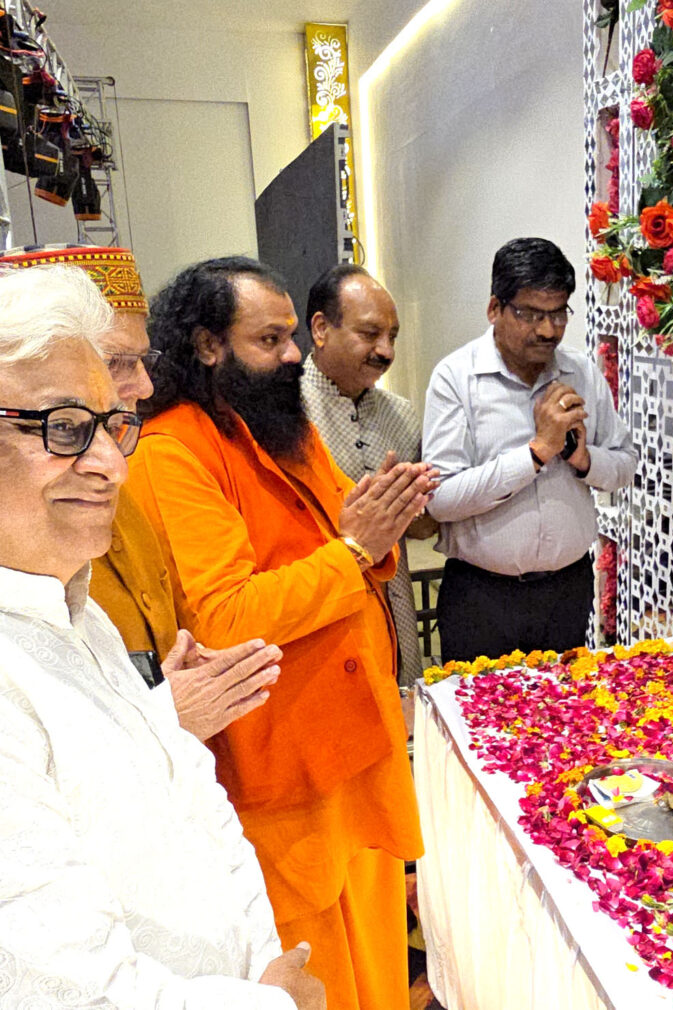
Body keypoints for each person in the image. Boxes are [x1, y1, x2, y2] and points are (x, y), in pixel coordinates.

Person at [0, 264, 324, 1010]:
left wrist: (263, 969)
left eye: (111, 427)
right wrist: (275, 1005)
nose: (111, 466)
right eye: (64, 428)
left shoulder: (80, 614)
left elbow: (199, 807)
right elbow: (70, 990)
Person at [126, 255, 435, 1010]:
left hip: (355, 749)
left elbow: (352, 529)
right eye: (270, 340)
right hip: (283, 774)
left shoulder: (277, 426)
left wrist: (376, 532)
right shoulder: (173, 449)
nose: (294, 355)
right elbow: (227, 616)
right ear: (208, 346)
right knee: (318, 975)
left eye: (292, 335)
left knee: (379, 968)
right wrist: (356, 550)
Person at [0, 245, 282, 742]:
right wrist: (157, 721)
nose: (145, 386)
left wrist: (155, 697)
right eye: (118, 361)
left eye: (142, 360)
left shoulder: (109, 472)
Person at [422, 237, 637, 661]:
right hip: (483, 599)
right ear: (494, 309)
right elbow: (441, 500)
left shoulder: (582, 372)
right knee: (477, 706)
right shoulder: (456, 378)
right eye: (531, 314)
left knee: (567, 704)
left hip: (567, 592)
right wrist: (537, 452)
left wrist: (583, 459)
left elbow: (625, 463)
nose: (548, 330)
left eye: (558, 313)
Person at [302, 263, 438, 688]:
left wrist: (421, 502)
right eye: (370, 333)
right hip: (318, 617)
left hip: (396, 614)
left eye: (392, 336)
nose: (386, 351)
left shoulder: (402, 415)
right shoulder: (283, 415)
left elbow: (421, 529)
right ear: (321, 329)